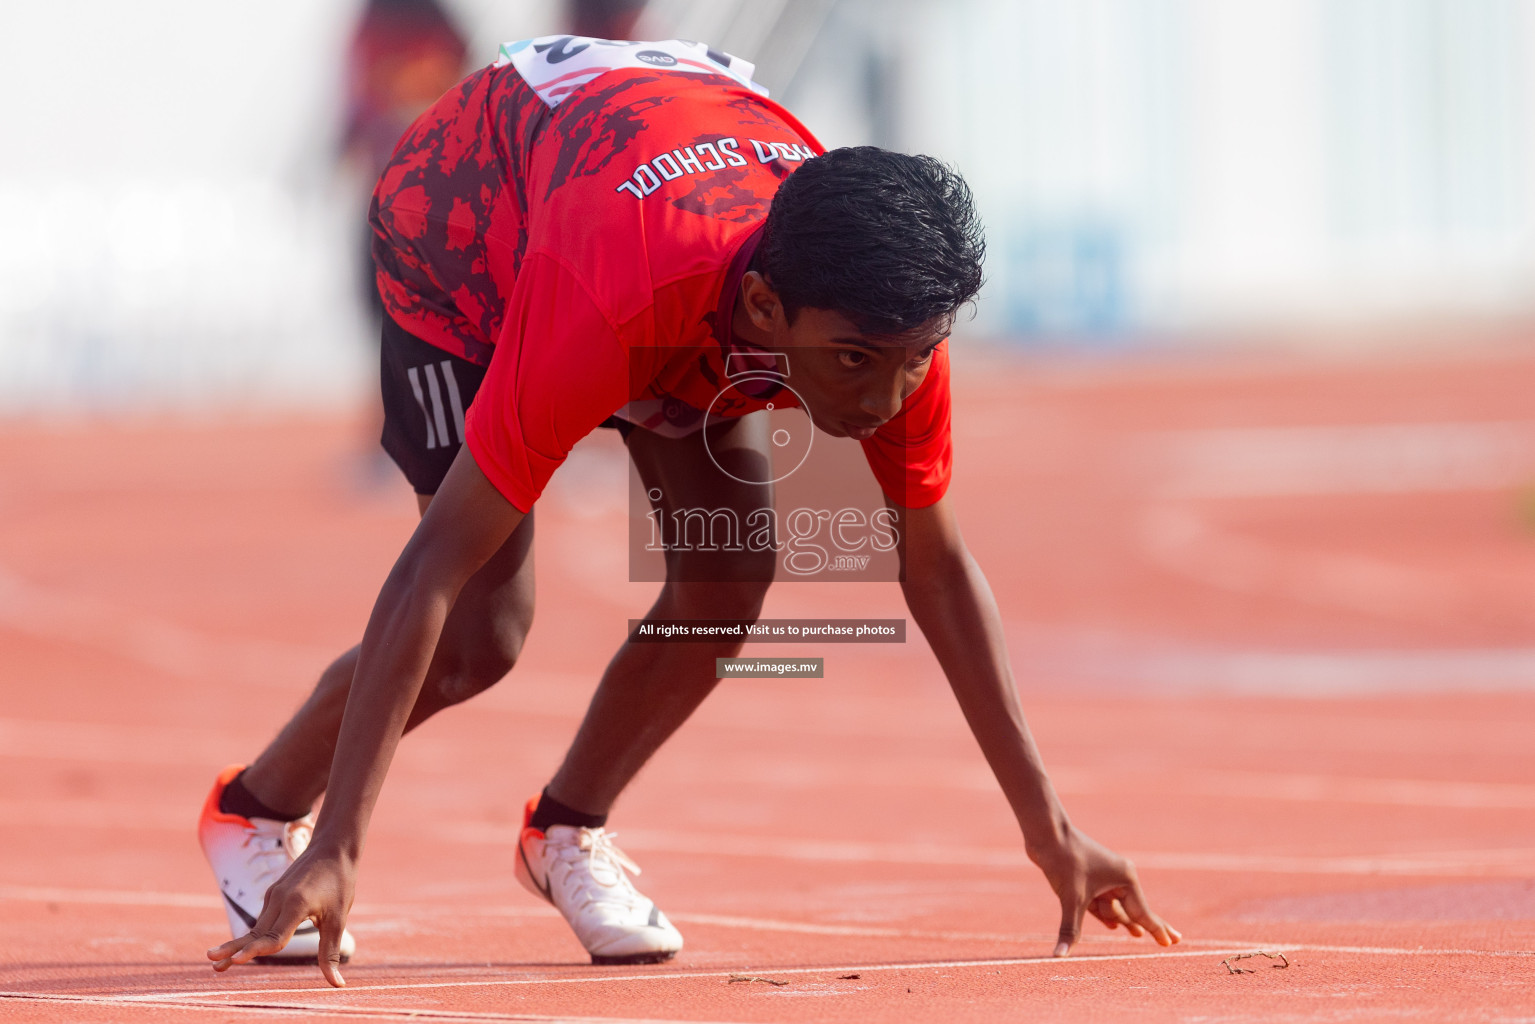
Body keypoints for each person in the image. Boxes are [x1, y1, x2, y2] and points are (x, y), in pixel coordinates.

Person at [200, 34, 1181, 987]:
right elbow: (432, 568)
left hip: (655, 198)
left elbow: (936, 569)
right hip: (466, 237)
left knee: (728, 571)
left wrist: (1048, 830)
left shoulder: (885, 315)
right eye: (852, 364)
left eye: (913, 360)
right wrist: (339, 846)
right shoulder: (611, 292)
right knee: (479, 635)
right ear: (763, 309)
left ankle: (565, 828)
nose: (884, 401)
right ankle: (252, 811)